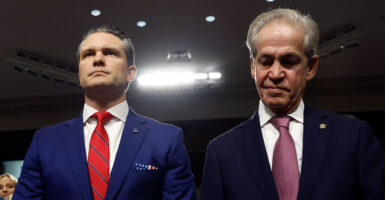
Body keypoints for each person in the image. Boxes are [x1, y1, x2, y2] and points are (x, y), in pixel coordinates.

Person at [200, 8, 385, 200]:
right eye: (266, 61)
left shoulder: (352, 137)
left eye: (289, 62)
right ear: (253, 67)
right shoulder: (222, 151)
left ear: (311, 67)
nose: (276, 74)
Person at [14, 25, 196, 200]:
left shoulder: (166, 138)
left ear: (130, 73)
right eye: (88, 54)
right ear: (79, 73)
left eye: (110, 52)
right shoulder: (45, 142)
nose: (98, 59)